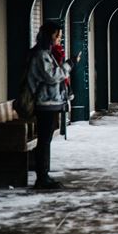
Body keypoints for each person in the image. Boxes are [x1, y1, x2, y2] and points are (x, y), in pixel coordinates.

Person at [27, 21, 80, 189]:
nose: (59, 39)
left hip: (50, 102)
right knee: (44, 140)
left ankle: (44, 175)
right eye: (58, 35)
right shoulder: (41, 55)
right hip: (44, 103)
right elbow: (51, 76)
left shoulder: (46, 54)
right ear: (49, 36)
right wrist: (69, 64)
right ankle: (41, 177)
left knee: (45, 139)